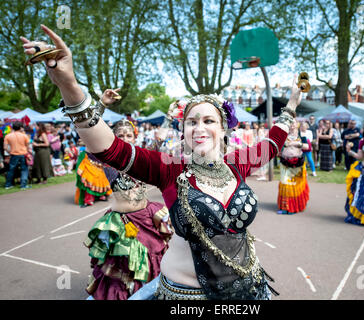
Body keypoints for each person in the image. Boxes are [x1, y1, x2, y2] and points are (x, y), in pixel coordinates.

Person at [21, 25, 302, 300]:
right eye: (191, 122)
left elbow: (274, 143)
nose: (199, 128)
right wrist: (69, 84)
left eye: (208, 120)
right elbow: (109, 148)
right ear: (183, 129)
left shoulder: (238, 163)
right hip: (184, 296)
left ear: (223, 127)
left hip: (247, 289)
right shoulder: (169, 167)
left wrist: (291, 105)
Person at [85, 110, 173, 300]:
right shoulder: (108, 160)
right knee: (124, 265)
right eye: (120, 135)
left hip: (147, 218)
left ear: (135, 137)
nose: (125, 138)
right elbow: (91, 141)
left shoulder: (140, 158)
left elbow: (158, 142)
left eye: (129, 135)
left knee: (152, 258)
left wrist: (169, 119)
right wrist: (98, 109)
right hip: (122, 223)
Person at [278, 120, 310, 214]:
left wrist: (296, 144)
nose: (292, 124)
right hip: (285, 163)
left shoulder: (301, 137)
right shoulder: (284, 136)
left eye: (294, 122)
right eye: (290, 122)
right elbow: (278, 146)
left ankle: (295, 207)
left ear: (298, 125)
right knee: (285, 184)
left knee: (296, 185)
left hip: (298, 163)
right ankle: (285, 207)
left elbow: (307, 147)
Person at [3, 121, 30, 189]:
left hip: (13, 154)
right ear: (21, 128)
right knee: (24, 169)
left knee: (11, 170)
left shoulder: (8, 136)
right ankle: (23, 185)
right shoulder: (24, 136)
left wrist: (10, 152)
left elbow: (5, 147)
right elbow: (27, 146)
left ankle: (8, 185)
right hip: (23, 154)